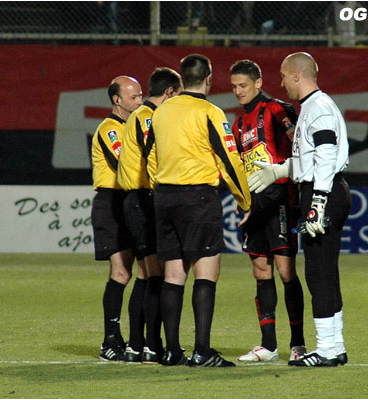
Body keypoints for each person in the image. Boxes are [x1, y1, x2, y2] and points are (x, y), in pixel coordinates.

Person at [146, 53, 251, 367]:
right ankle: (202, 351)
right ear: (209, 79)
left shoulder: (161, 113)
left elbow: (149, 154)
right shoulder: (211, 112)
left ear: (180, 79)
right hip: (198, 198)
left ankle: (171, 351)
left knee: (173, 274)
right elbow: (229, 159)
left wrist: (159, 187)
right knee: (206, 273)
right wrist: (244, 199)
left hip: (164, 198)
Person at [248, 52, 351, 367]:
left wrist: (317, 202)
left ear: (296, 75)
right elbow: (311, 159)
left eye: (282, 76)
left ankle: (327, 349)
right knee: (324, 272)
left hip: (323, 193)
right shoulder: (316, 107)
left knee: (318, 272)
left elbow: (325, 156)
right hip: (326, 189)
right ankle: (334, 346)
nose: (280, 83)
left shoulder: (317, 108)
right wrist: (278, 171)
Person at [229, 59, 307, 363]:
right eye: (234, 86)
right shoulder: (237, 124)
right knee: (260, 271)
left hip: (279, 202)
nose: (238, 91)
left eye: (243, 86)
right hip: (253, 207)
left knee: (286, 271)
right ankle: (269, 346)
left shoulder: (277, 110)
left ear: (258, 83)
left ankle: (298, 344)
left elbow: (299, 146)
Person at [117, 67, 183, 364]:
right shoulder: (147, 116)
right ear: (169, 93)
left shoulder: (141, 115)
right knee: (155, 274)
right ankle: (151, 345)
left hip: (137, 200)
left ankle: (137, 345)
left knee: (145, 274)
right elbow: (151, 152)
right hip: (144, 199)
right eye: (178, 95)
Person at [90, 76, 146, 361]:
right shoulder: (110, 129)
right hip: (112, 202)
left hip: (132, 201)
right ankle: (110, 341)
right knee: (121, 273)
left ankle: (140, 340)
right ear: (117, 100)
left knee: (143, 272)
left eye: (140, 96)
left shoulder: (135, 126)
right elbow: (123, 163)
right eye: (134, 97)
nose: (140, 101)